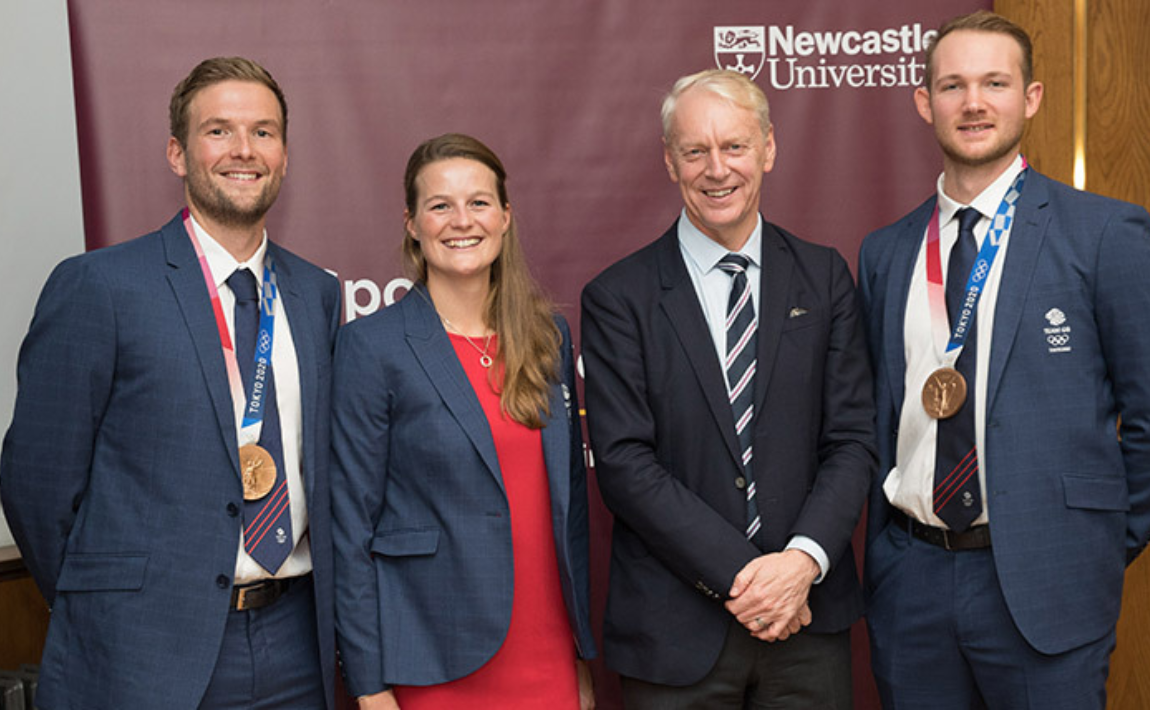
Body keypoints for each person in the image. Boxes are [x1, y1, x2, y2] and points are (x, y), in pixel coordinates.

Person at [0, 57, 340, 709]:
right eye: (220, 131)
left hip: (297, 642)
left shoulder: (316, 294)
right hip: (139, 650)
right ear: (178, 155)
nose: (244, 150)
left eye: (263, 132)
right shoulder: (101, 286)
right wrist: (103, 604)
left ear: (285, 157)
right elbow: (37, 483)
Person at [858, 11, 1150, 709]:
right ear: (925, 103)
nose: (975, 102)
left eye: (995, 82)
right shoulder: (886, 253)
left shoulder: (1105, 234)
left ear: (1031, 97)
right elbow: (875, 420)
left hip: (1049, 584)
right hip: (912, 584)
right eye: (954, 85)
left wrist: (1096, 544)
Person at [580, 69, 875, 708]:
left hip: (808, 621)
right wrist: (751, 581)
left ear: (768, 149)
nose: (717, 170)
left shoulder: (824, 279)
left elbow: (852, 441)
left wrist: (799, 565)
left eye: (735, 147)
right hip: (674, 633)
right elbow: (626, 464)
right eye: (696, 151)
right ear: (670, 161)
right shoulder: (617, 298)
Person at [331, 133, 597, 710]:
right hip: (433, 659)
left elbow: (569, 507)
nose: (461, 221)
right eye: (439, 205)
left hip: (547, 651)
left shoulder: (549, 338)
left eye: (479, 202)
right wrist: (370, 684)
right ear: (411, 223)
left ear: (505, 217)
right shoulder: (371, 347)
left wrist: (578, 654)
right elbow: (349, 530)